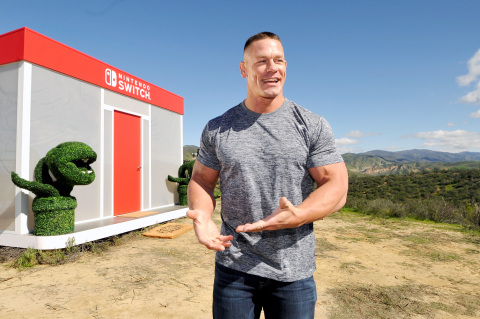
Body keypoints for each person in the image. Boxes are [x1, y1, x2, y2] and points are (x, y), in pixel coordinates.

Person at [187, 31, 348, 319]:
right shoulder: (217, 128)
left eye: (279, 60)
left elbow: (336, 184)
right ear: (244, 69)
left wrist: (299, 214)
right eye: (262, 61)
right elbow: (201, 179)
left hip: (293, 273)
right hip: (233, 268)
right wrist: (202, 213)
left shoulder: (312, 125)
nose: (272, 67)